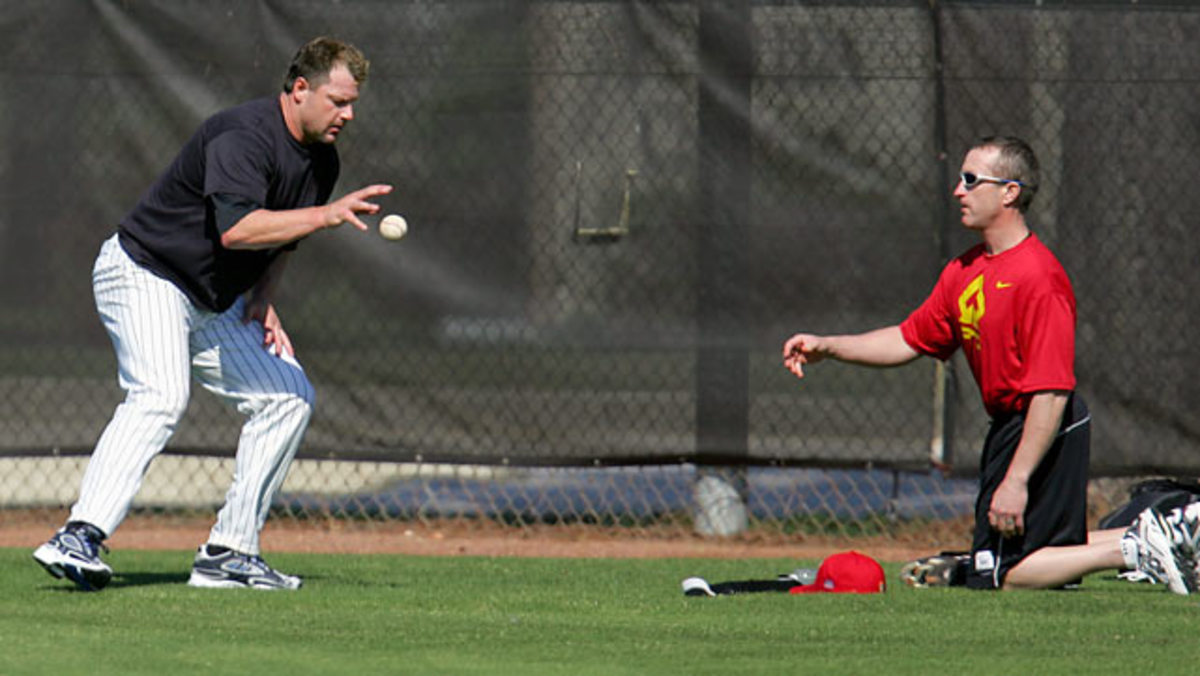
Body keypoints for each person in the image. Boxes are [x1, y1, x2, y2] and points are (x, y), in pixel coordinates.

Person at [32, 37, 392, 591]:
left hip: (210, 303)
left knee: (288, 398)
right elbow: (239, 228)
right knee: (160, 395)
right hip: (145, 273)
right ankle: (79, 534)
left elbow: (282, 242)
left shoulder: (322, 158)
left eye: (352, 103)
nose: (349, 113)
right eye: (338, 100)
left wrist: (265, 298)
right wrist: (325, 215)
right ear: (300, 89)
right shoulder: (242, 136)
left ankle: (230, 552)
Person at [782, 136, 1200, 593]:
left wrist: (1016, 480)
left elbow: (1051, 391)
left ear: (1009, 192)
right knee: (1033, 554)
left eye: (970, 180)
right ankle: (1166, 534)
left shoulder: (1039, 278)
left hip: (1042, 422)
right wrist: (830, 346)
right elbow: (907, 338)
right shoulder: (964, 271)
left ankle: (1135, 548)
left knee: (1002, 574)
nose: (958, 191)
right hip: (1014, 425)